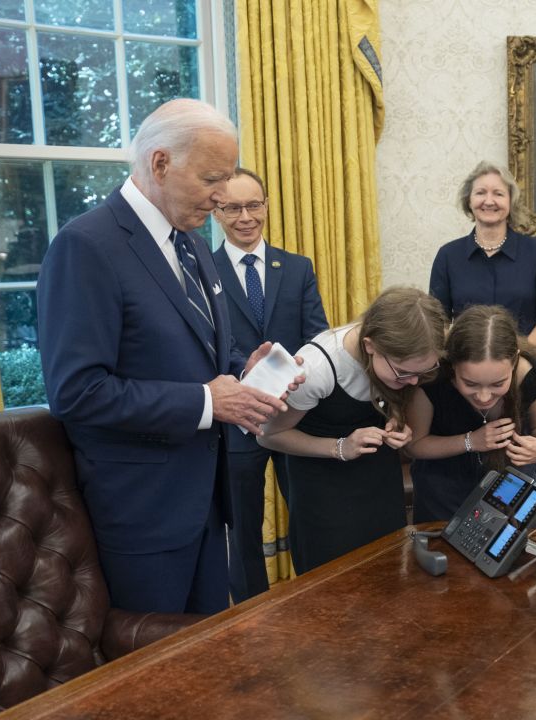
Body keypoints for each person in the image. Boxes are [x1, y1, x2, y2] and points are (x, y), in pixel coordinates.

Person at [36, 98, 297, 614]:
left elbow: (191, 355)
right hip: (142, 511)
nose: (224, 196)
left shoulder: (194, 243)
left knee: (204, 663)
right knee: (150, 676)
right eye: (212, 179)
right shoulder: (86, 246)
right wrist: (206, 402)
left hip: (205, 501)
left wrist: (239, 376)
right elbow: (77, 392)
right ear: (160, 164)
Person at [257, 287, 447, 574]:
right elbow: (268, 435)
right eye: (403, 373)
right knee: (334, 584)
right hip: (324, 491)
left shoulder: (401, 364)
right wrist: (340, 447)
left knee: (388, 570)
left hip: (380, 482)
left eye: (423, 373)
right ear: (370, 345)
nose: (413, 382)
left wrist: (397, 418)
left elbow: (393, 392)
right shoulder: (317, 368)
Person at [211, 167, 328, 602]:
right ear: (217, 211)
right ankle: (251, 614)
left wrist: (299, 372)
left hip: (294, 414)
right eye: (233, 207)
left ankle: (315, 599)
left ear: (266, 205)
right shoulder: (205, 269)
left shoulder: (297, 268)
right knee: (242, 528)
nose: (246, 216)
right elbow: (208, 344)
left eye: (254, 205)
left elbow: (318, 334)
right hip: (237, 419)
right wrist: (249, 376)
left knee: (306, 515)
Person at [429, 161, 536, 515]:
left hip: (522, 375)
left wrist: (517, 360)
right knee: (467, 480)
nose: (489, 200)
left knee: (525, 472)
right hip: (468, 379)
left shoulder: (535, 252)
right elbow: (438, 323)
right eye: (481, 192)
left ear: (510, 200)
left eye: (498, 193)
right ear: (469, 200)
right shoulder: (448, 255)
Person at [406, 305, 536, 521]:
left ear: (514, 361)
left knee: (506, 551)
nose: (484, 397)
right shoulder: (432, 380)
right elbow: (414, 445)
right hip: (442, 492)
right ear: (452, 365)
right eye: (470, 384)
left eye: (498, 383)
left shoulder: (531, 375)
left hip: (510, 488)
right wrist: (470, 441)